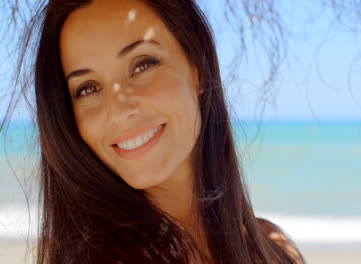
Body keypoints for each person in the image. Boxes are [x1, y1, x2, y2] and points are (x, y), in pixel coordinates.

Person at [13, 0, 306, 262]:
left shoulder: (275, 249)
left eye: (142, 65)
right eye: (88, 88)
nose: (120, 108)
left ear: (196, 66)